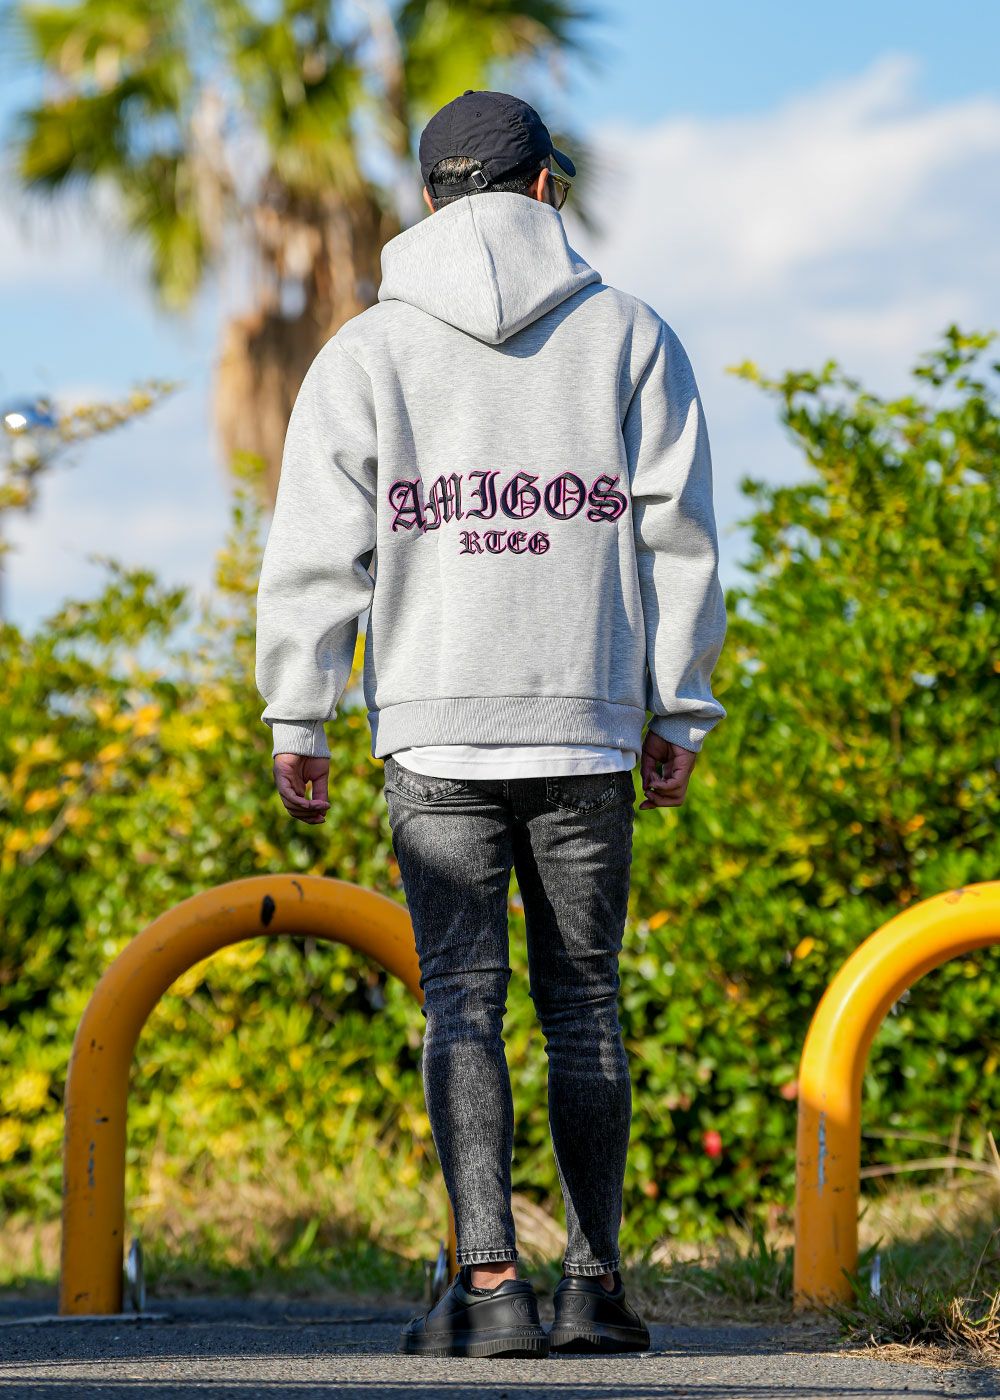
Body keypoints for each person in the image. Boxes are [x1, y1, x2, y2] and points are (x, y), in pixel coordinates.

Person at [255, 88, 727, 1359]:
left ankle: (488, 1284)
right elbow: (676, 534)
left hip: (433, 732)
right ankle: (595, 1288)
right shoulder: (629, 332)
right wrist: (680, 702)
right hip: (584, 723)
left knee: (462, 1004)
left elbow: (315, 546)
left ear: (427, 200)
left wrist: (301, 707)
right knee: (584, 1002)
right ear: (542, 188)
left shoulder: (367, 349)